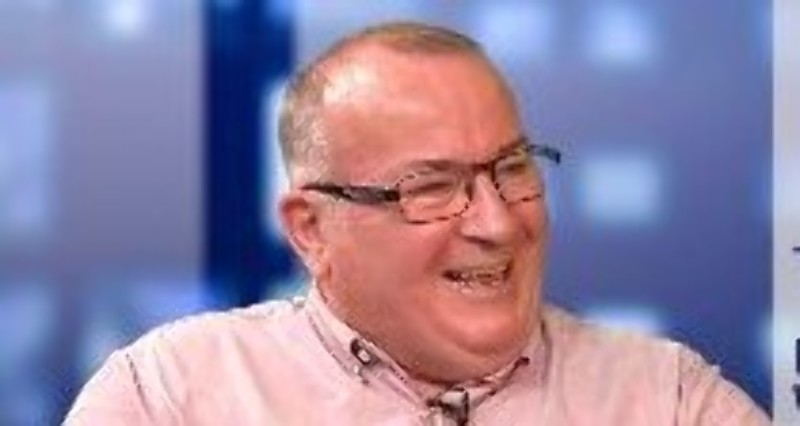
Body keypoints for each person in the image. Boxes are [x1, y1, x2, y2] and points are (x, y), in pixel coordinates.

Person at [65, 22, 769, 425]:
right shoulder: (169, 397)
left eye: (513, 168)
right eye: (431, 188)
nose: (497, 223)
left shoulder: (669, 401)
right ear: (310, 229)